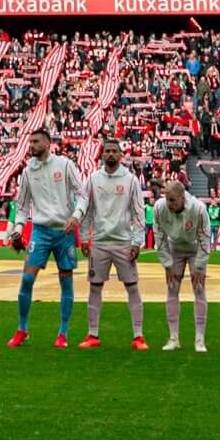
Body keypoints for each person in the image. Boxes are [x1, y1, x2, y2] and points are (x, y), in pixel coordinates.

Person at [9, 131, 86, 350]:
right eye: (30, 141)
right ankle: (22, 329)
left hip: (64, 231)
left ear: (48, 143)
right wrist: (18, 229)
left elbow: (82, 194)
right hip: (40, 231)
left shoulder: (64, 165)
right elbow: (22, 206)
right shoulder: (27, 172)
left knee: (66, 281)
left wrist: (76, 216)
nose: (31, 145)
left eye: (35, 141)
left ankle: (63, 333)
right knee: (26, 279)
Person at [78, 139, 148, 349]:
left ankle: (138, 336)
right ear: (102, 155)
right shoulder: (93, 179)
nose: (110, 154)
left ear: (120, 155)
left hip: (123, 242)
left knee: (132, 286)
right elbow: (87, 210)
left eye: (114, 151)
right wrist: (83, 237)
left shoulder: (130, 180)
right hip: (99, 241)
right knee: (95, 287)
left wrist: (137, 241)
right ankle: (93, 335)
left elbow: (138, 211)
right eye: (106, 151)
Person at [148, 167, 214, 353]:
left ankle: (199, 340)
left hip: (195, 249)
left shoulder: (199, 209)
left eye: (172, 200)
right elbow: (159, 236)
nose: (169, 203)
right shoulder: (160, 208)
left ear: (182, 197)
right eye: (167, 199)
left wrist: (200, 266)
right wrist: (167, 264)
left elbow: (204, 238)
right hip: (174, 248)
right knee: (172, 289)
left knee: (199, 289)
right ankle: (173, 338)